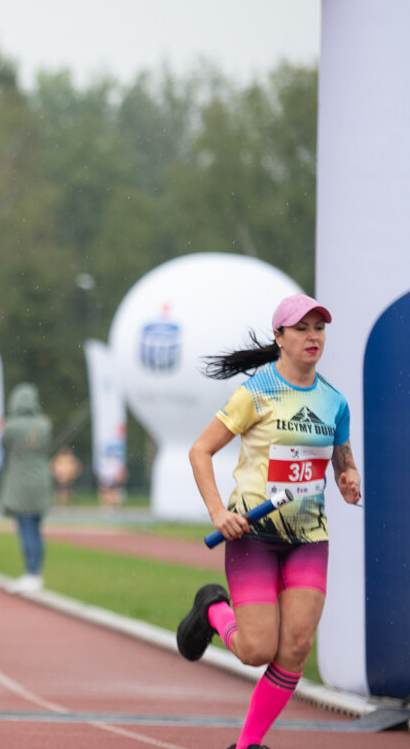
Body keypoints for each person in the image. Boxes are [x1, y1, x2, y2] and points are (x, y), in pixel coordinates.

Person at [178, 293, 361, 749]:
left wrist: (348, 476)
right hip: (253, 535)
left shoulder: (334, 401)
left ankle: (247, 745)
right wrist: (220, 513)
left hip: (308, 538)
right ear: (280, 337)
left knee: (295, 648)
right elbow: (200, 451)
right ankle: (212, 609)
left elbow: (341, 457)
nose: (312, 336)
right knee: (257, 649)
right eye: (301, 329)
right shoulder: (257, 392)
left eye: (319, 328)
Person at [0, 382, 53, 594]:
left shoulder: (10, 426)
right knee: (37, 530)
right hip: (41, 481)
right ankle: (35, 573)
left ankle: (31, 574)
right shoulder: (45, 424)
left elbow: (5, 446)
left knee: (26, 529)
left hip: (20, 482)